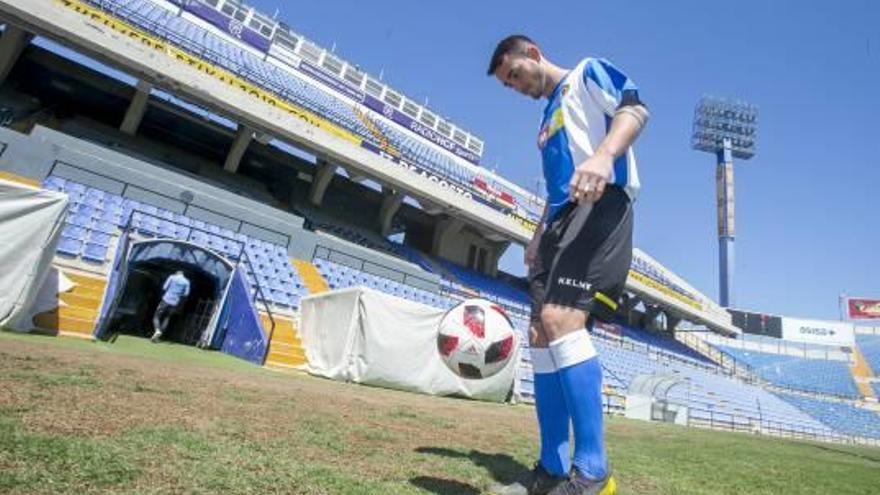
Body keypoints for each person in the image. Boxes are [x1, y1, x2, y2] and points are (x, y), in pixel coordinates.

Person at [486, 35, 649, 495]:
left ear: (533, 53)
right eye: (506, 84)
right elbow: (558, 183)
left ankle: (593, 473)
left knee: (562, 318)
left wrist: (605, 154)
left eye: (514, 74)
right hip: (560, 222)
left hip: (601, 206)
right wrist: (539, 233)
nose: (514, 85)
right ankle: (551, 470)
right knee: (540, 333)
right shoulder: (545, 119)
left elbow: (635, 108)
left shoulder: (586, 72)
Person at [151, 270, 191, 343]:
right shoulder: (186, 281)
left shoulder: (172, 277)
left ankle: (157, 330)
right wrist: (178, 294)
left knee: (156, 316)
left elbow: (164, 287)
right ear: (183, 274)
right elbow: (186, 294)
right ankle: (158, 335)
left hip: (166, 299)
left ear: (177, 273)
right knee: (167, 318)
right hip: (175, 302)